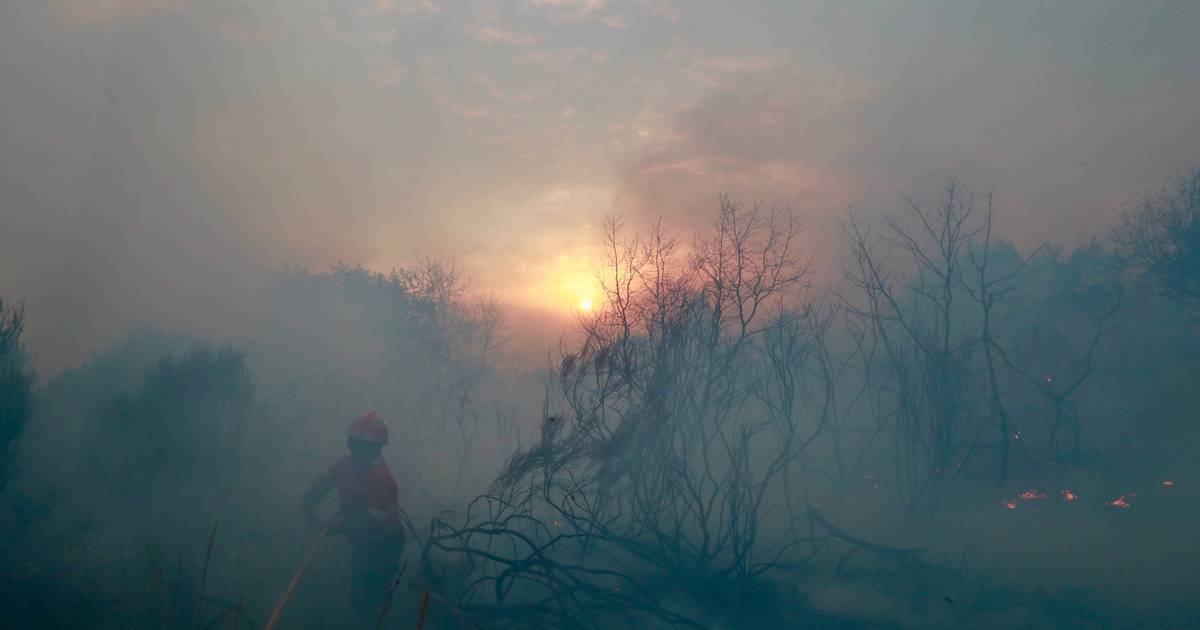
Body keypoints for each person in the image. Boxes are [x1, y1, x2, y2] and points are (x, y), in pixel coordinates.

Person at [302, 411, 405, 628]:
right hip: (364, 543)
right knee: (359, 596)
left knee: (370, 599)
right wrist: (309, 500)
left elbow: (370, 522)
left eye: (364, 446)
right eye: (354, 444)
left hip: (384, 544)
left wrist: (338, 527)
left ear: (376, 448)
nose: (357, 450)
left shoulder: (381, 479)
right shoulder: (348, 464)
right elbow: (326, 481)